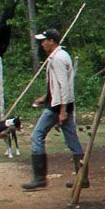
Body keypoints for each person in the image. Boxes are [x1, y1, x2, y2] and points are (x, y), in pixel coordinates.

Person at [22, 29, 87, 191]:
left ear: (52, 41)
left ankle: (39, 178)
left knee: (37, 136)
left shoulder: (58, 58)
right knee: (72, 140)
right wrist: (46, 96)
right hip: (60, 103)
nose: (42, 44)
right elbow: (56, 84)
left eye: (44, 41)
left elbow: (64, 85)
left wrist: (62, 110)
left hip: (58, 106)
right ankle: (83, 177)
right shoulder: (59, 56)